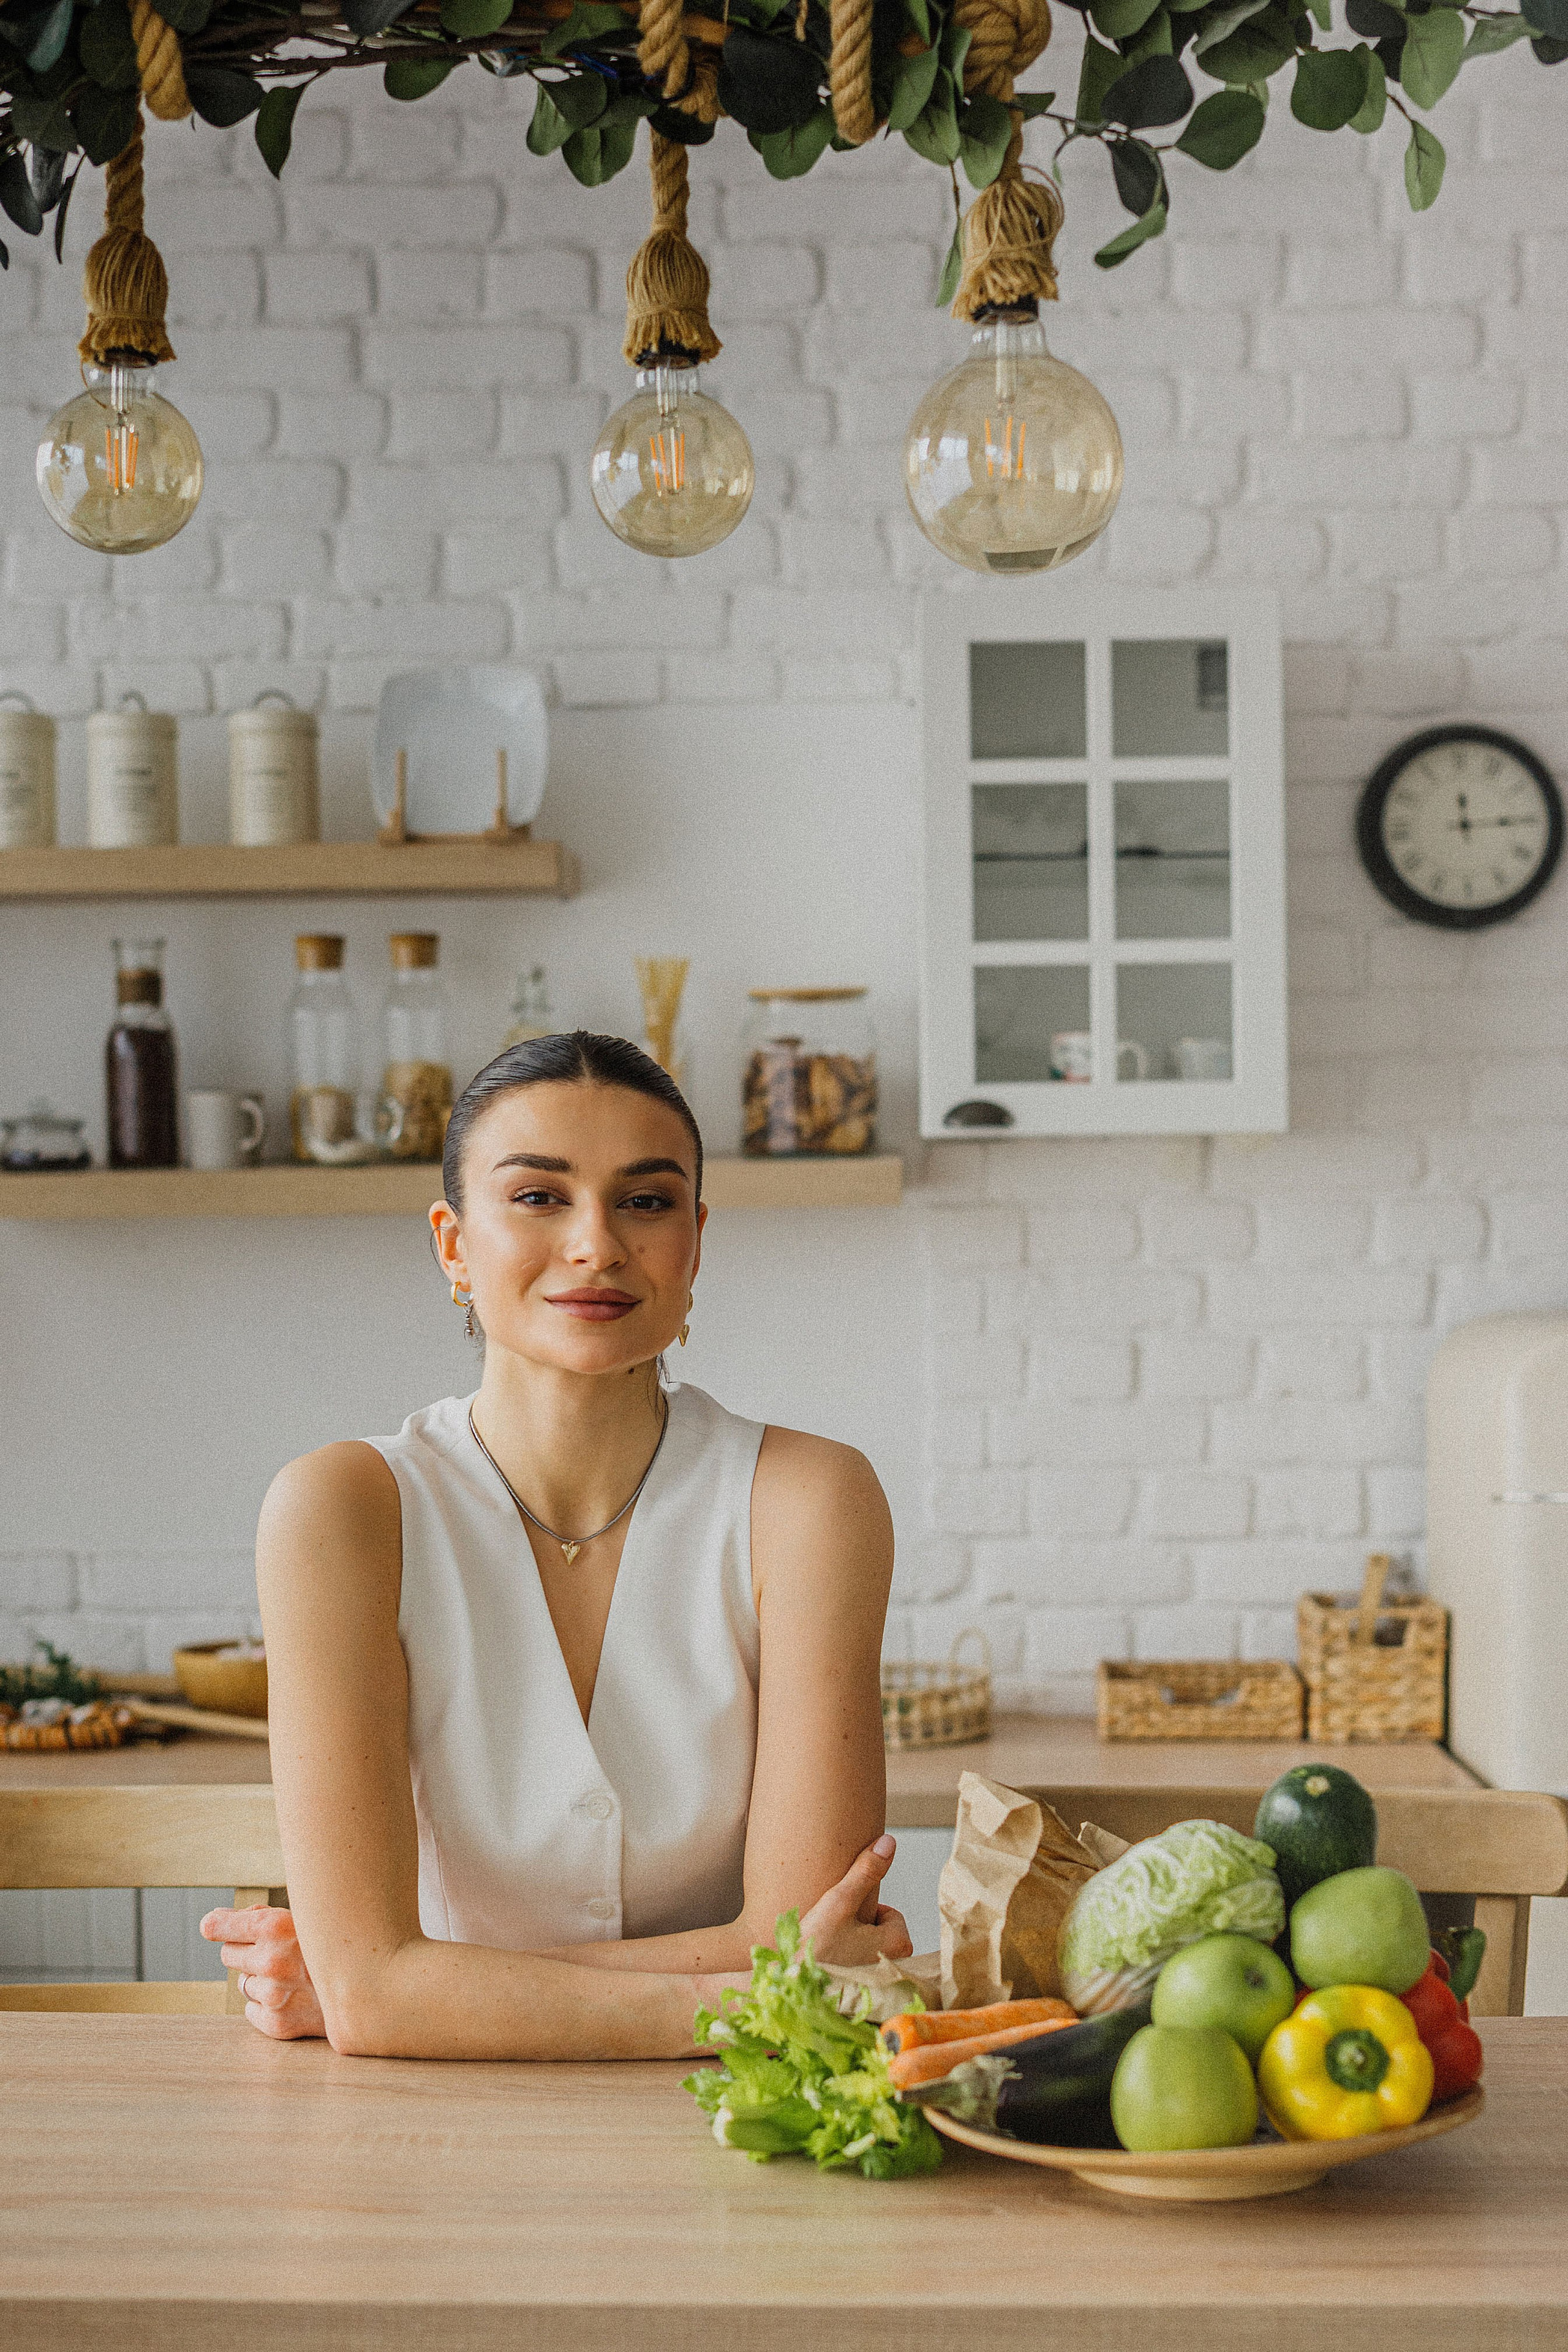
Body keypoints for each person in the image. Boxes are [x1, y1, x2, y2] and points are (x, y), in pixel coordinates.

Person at [202, 1031, 911, 2057]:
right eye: (538, 1197)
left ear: (696, 1241)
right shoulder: (342, 1508)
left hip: (736, 2126)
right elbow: (793, 1970)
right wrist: (757, 1992)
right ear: (453, 1244)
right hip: (429, 2137)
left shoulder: (810, 1500)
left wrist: (412, 1989)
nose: (597, 1244)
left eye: (646, 1200)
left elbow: (374, 1990)